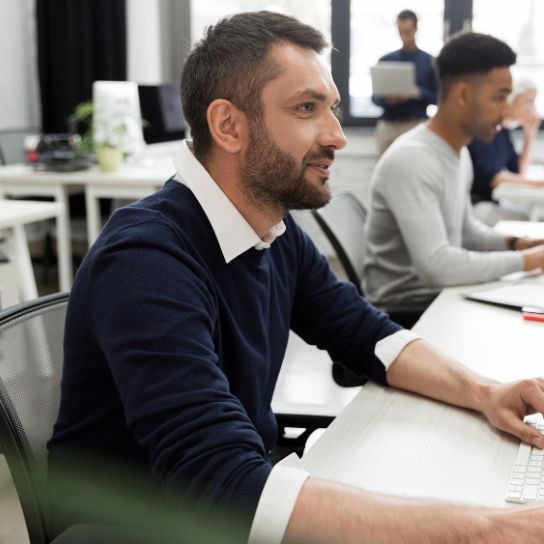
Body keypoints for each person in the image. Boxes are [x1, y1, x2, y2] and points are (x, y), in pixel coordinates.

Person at [48, 13, 544, 543]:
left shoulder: (272, 232)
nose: (337, 135)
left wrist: (486, 391)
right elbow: (222, 487)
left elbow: (369, 336)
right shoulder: (146, 259)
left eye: (331, 107)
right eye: (307, 108)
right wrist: (487, 529)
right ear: (229, 126)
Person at [363, 32, 544, 308]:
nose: (506, 109)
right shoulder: (413, 160)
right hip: (409, 312)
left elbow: (467, 232)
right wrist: (527, 261)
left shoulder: (457, 151)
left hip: (438, 296)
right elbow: (437, 266)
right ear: (462, 94)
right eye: (500, 97)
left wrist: (520, 244)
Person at [469, 79, 544, 226]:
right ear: (511, 100)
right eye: (528, 102)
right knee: (537, 218)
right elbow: (495, 178)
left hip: (493, 203)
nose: (532, 109)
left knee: (535, 212)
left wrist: (530, 134)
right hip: (476, 206)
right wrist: (539, 183)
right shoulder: (484, 130)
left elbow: (518, 172)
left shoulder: (503, 132)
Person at [371, 9, 438, 157]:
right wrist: (388, 99)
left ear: (416, 29)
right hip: (388, 124)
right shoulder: (386, 60)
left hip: (415, 123)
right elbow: (374, 98)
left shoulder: (429, 62)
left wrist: (418, 92)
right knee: (384, 170)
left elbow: (438, 98)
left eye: (407, 31)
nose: (404, 36)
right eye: (400, 31)